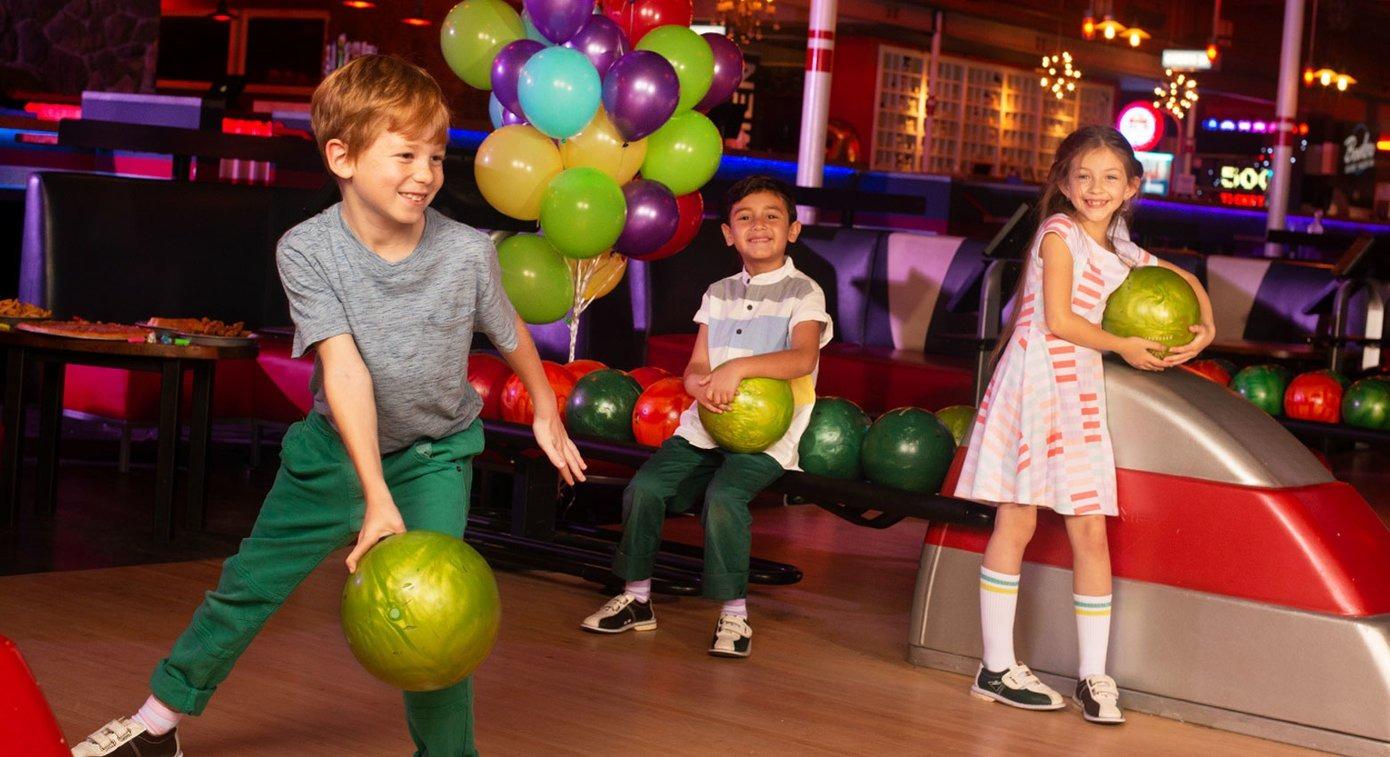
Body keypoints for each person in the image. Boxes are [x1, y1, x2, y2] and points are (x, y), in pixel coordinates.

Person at [69, 55, 586, 757]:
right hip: (333, 454)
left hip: (434, 457)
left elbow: (509, 330)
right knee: (248, 585)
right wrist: (373, 493)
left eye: (435, 155)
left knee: (435, 616)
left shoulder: (467, 251)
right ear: (341, 156)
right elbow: (344, 370)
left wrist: (545, 410)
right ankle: (157, 724)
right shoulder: (307, 249)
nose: (426, 173)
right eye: (404, 153)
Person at [954, 125, 1216, 724]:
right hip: (1036, 384)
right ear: (1064, 183)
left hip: (1079, 395)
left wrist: (1206, 327)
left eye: (1109, 178)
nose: (1096, 188)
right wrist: (1124, 344)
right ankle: (995, 667)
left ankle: (1094, 676)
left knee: (1090, 532)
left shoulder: (1122, 247)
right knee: (1016, 521)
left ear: (1132, 187)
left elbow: (1192, 282)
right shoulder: (1057, 233)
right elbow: (1060, 321)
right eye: (1084, 176)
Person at [580, 175, 832, 658]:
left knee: (723, 497)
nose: (758, 225)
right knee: (645, 489)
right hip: (704, 426)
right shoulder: (717, 292)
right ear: (728, 234)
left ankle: (734, 615)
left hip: (768, 437)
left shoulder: (806, 292)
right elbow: (697, 364)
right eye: (745, 218)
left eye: (771, 216)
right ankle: (636, 599)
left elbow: (801, 358)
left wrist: (737, 368)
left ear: (794, 230)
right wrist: (698, 385)